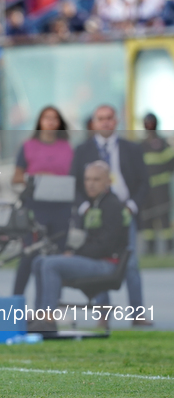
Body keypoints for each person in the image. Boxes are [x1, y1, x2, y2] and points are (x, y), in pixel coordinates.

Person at [70, 105, 149, 324]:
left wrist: (132, 206)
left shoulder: (131, 149)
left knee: (131, 262)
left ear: (116, 121)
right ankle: (102, 315)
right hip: (95, 213)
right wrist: (85, 207)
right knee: (99, 259)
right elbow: (74, 184)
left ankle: (138, 314)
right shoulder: (82, 150)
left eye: (109, 118)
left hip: (124, 211)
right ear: (93, 123)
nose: (105, 122)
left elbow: (144, 182)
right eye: (100, 118)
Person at [32, 162, 129, 321]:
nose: (90, 184)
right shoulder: (95, 203)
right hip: (92, 259)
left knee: (51, 264)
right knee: (39, 261)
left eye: (96, 179)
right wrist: (71, 252)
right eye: (87, 179)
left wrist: (75, 254)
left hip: (106, 264)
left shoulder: (112, 206)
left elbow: (105, 245)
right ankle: (40, 313)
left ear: (108, 182)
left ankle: (48, 317)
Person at [11, 106, 73, 296]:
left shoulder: (68, 148)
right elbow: (16, 177)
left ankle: (49, 307)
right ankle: (16, 301)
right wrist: (37, 176)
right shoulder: (28, 146)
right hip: (36, 207)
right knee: (30, 255)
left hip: (61, 207)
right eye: (46, 118)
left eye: (55, 119)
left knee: (55, 257)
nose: (51, 122)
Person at [139, 113, 174, 254]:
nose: (149, 125)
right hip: (146, 189)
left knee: (163, 217)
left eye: (151, 122)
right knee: (147, 218)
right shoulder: (141, 145)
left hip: (161, 188)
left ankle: (168, 247)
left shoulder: (163, 143)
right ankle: (150, 248)